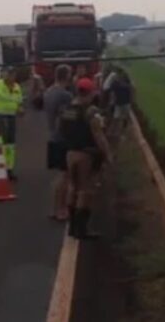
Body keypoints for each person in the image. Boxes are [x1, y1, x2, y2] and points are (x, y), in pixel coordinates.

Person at [60, 77, 114, 240]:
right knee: (85, 190)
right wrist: (108, 154)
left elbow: (61, 130)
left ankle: (71, 227)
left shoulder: (67, 109)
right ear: (90, 92)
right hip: (86, 154)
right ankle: (81, 230)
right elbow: (98, 135)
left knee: (72, 187)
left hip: (70, 153)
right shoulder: (90, 111)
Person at [43, 64, 74, 221]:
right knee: (65, 176)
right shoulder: (65, 96)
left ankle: (54, 209)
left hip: (53, 136)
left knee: (60, 176)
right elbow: (68, 116)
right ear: (67, 76)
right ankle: (61, 210)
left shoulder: (48, 92)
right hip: (63, 138)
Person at [0, 67, 24, 180]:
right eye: (7, 74)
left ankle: (9, 168)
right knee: (0, 141)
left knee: (10, 143)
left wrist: (20, 109)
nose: (10, 76)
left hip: (11, 116)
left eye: (12, 74)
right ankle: (0, 166)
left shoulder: (17, 87)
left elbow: (19, 102)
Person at [107, 69, 135, 135]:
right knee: (116, 117)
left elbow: (131, 90)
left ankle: (122, 130)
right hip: (118, 104)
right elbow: (112, 93)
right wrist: (112, 101)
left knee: (124, 117)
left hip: (126, 103)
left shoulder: (127, 82)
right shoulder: (115, 84)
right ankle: (113, 131)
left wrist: (131, 100)